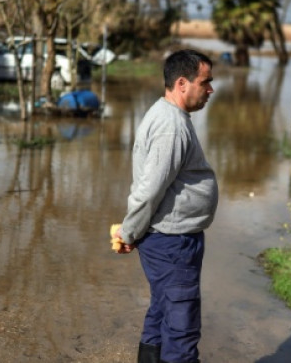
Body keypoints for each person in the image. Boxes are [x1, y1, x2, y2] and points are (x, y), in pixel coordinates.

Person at [114, 49, 219, 363]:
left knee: (163, 313)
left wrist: (133, 231)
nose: (211, 89)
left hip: (170, 240)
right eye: (206, 82)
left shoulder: (170, 116)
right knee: (182, 329)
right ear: (183, 83)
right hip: (173, 243)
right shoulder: (170, 126)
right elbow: (149, 190)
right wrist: (129, 232)